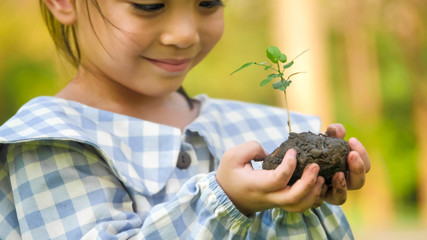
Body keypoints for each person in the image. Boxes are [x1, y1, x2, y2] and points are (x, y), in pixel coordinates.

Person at [0, 0, 370, 239]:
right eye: (149, 5)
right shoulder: (50, 140)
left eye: (208, 3)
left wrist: (308, 198)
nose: (185, 34)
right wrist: (226, 204)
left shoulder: (253, 126)